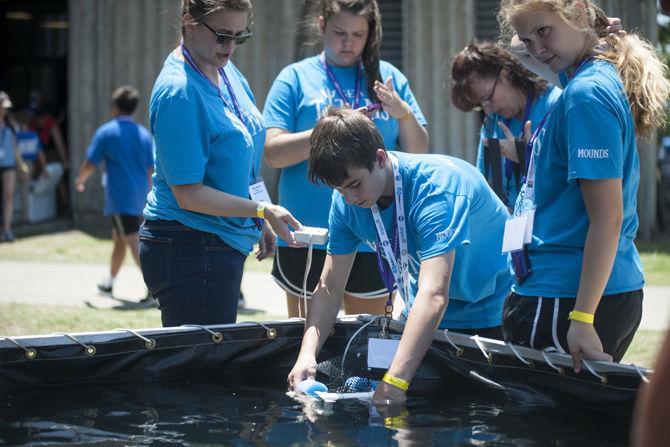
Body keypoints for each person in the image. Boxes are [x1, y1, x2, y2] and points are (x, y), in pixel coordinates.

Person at [287, 108, 512, 405]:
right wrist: (307, 354)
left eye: (354, 185)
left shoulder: (436, 189)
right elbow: (329, 286)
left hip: (491, 310)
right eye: (339, 190)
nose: (350, 199)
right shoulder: (346, 200)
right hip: (422, 314)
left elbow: (434, 294)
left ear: (380, 158)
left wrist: (394, 382)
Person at [498, 0, 670, 371]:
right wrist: (572, 27)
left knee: (545, 428)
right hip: (587, 290)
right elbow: (515, 45)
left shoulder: (584, 93)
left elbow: (607, 219)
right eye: (529, 39)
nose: (537, 50)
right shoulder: (584, 71)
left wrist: (583, 317)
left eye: (544, 32)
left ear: (575, 12)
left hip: (568, 297)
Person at [140, 0, 301, 327]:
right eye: (222, 35)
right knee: (198, 370)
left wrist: (259, 217)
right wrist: (261, 211)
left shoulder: (223, 68)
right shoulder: (179, 91)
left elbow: (242, 158)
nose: (229, 47)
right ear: (189, 22)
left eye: (239, 37)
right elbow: (188, 194)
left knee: (205, 363)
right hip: (188, 244)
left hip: (215, 242)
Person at [263, 0, 429, 318]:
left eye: (358, 34)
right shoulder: (295, 78)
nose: (348, 42)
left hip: (375, 231)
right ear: (322, 25)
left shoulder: (387, 77)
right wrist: (332, 130)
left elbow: (418, 152)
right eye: (339, 32)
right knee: (305, 339)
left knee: (365, 344)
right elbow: (273, 153)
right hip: (307, 232)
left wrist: (404, 115)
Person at [450, 41, 561, 208]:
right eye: (480, 105)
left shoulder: (556, 105)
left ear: (506, 74)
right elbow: (484, 190)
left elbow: (570, 181)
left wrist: (525, 157)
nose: (488, 110)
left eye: (488, 97)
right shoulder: (492, 125)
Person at [75, 86, 155, 305]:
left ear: (114, 107)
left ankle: (155, 289)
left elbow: (90, 162)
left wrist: (80, 180)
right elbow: (151, 169)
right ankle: (109, 282)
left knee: (131, 240)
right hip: (141, 197)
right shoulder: (144, 134)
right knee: (119, 239)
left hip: (121, 198)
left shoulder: (107, 132)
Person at [0, 92, 29, 242]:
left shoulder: (11, 126)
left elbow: (15, 147)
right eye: (2, 107)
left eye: (5, 108)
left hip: (9, 164)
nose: (3, 110)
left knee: (9, 195)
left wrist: (21, 164)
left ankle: (7, 229)